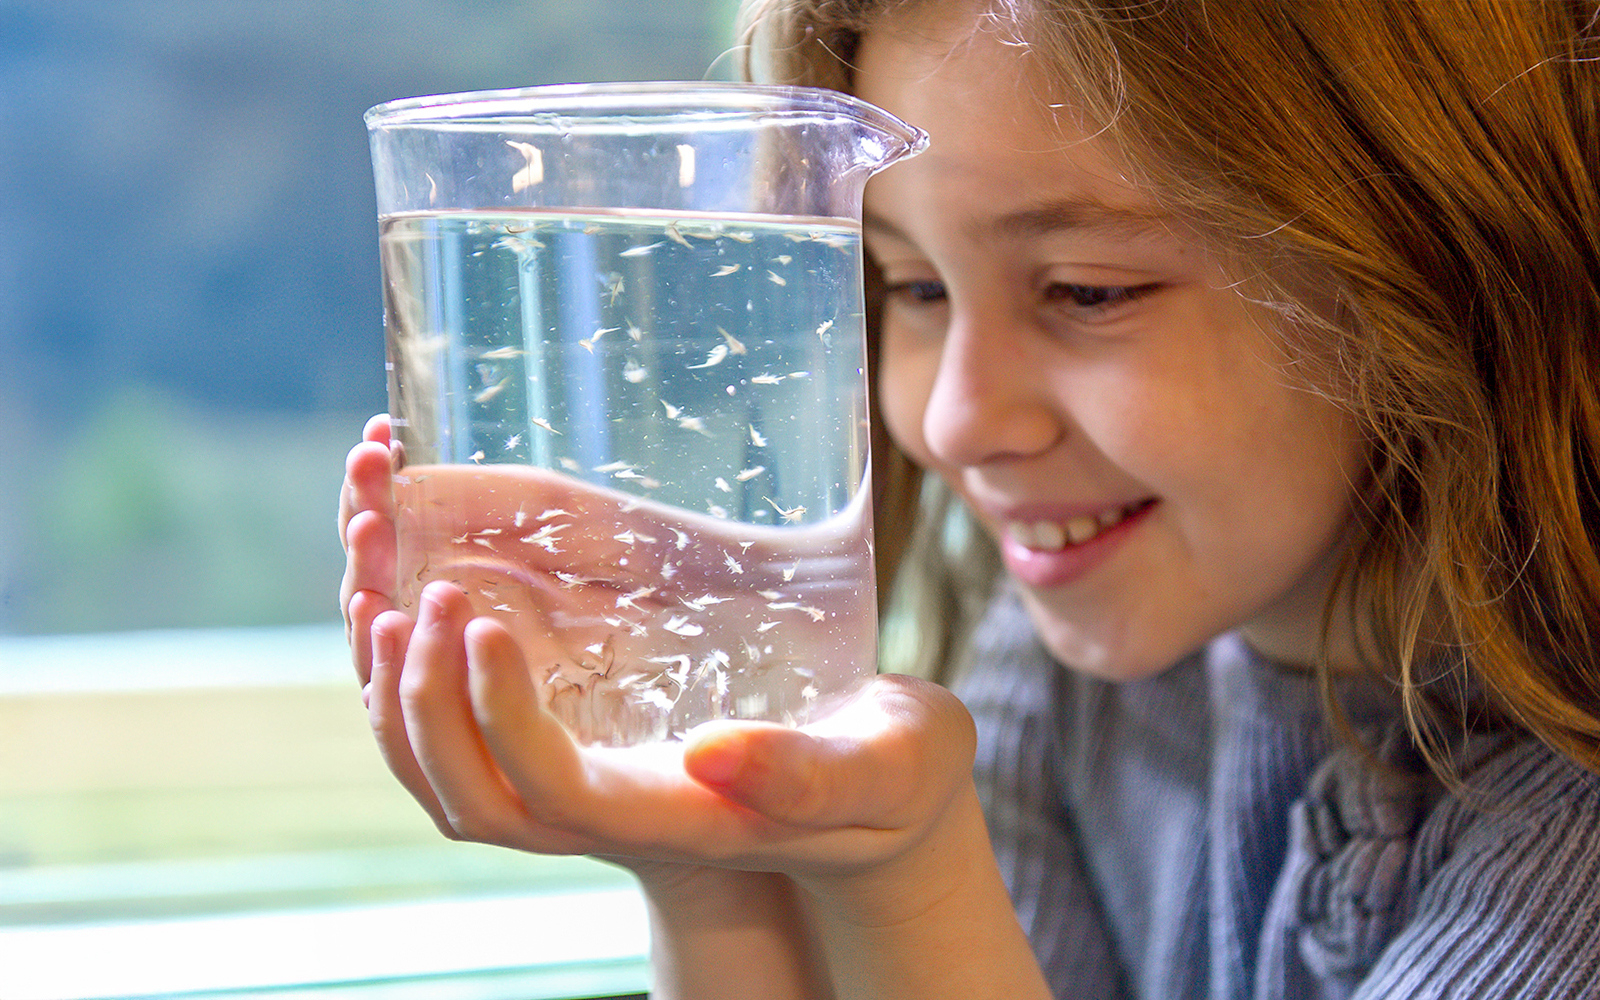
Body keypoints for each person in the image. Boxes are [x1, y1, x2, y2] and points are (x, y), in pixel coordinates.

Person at [339, 0, 1600, 996]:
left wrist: (908, 876)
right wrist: (709, 857)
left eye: (1089, 291)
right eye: (911, 287)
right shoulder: (1061, 666)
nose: (950, 420)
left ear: (1436, 256)